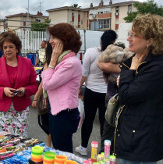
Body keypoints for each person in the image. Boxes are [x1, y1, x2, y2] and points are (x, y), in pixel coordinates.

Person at [116, 14, 163, 163]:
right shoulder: (135, 59)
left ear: (149, 41)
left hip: (141, 142)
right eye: (130, 34)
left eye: (134, 35)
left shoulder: (157, 67)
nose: (128, 38)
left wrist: (130, 72)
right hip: (130, 136)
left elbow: (126, 95)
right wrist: (129, 74)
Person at [0, 31, 38, 137]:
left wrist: (25, 90)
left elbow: (34, 85)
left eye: (11, 46)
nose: (8, 50)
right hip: (1, 112)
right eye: (5, 47)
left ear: (17, 48)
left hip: (21, 111)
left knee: (20, 142)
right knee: (2, 142)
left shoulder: (27, 63)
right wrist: (3, 90)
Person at [75, 30, 117, 156]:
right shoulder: (115, 54)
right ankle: (105, 151)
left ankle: (83, 147)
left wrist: (78, 88)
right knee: (106, 122)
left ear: (101, 39)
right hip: (107, 94)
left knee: (88, 119)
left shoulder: (91, 52)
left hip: (91, 91)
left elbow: (84, 73)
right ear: (113, 42)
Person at [41, 23, 82, 152]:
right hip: (58, 111)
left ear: (64, 39)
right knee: (59, 150)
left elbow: (47, 84)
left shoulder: (70, 62)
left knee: (62, 152)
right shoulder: (64, 60)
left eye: (54, 37)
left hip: (64, 113)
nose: (50, 41)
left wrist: (52, 61)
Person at [31, 41, 52, 147]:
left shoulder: (52, 64)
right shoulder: (48, 63)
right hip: (47, 98)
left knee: (48, 124)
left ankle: (50, 147)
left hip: (51, 100)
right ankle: (49, 146)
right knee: (47, 124)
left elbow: (44, 83)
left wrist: (36, 98)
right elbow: (43, 83)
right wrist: (35, 98)